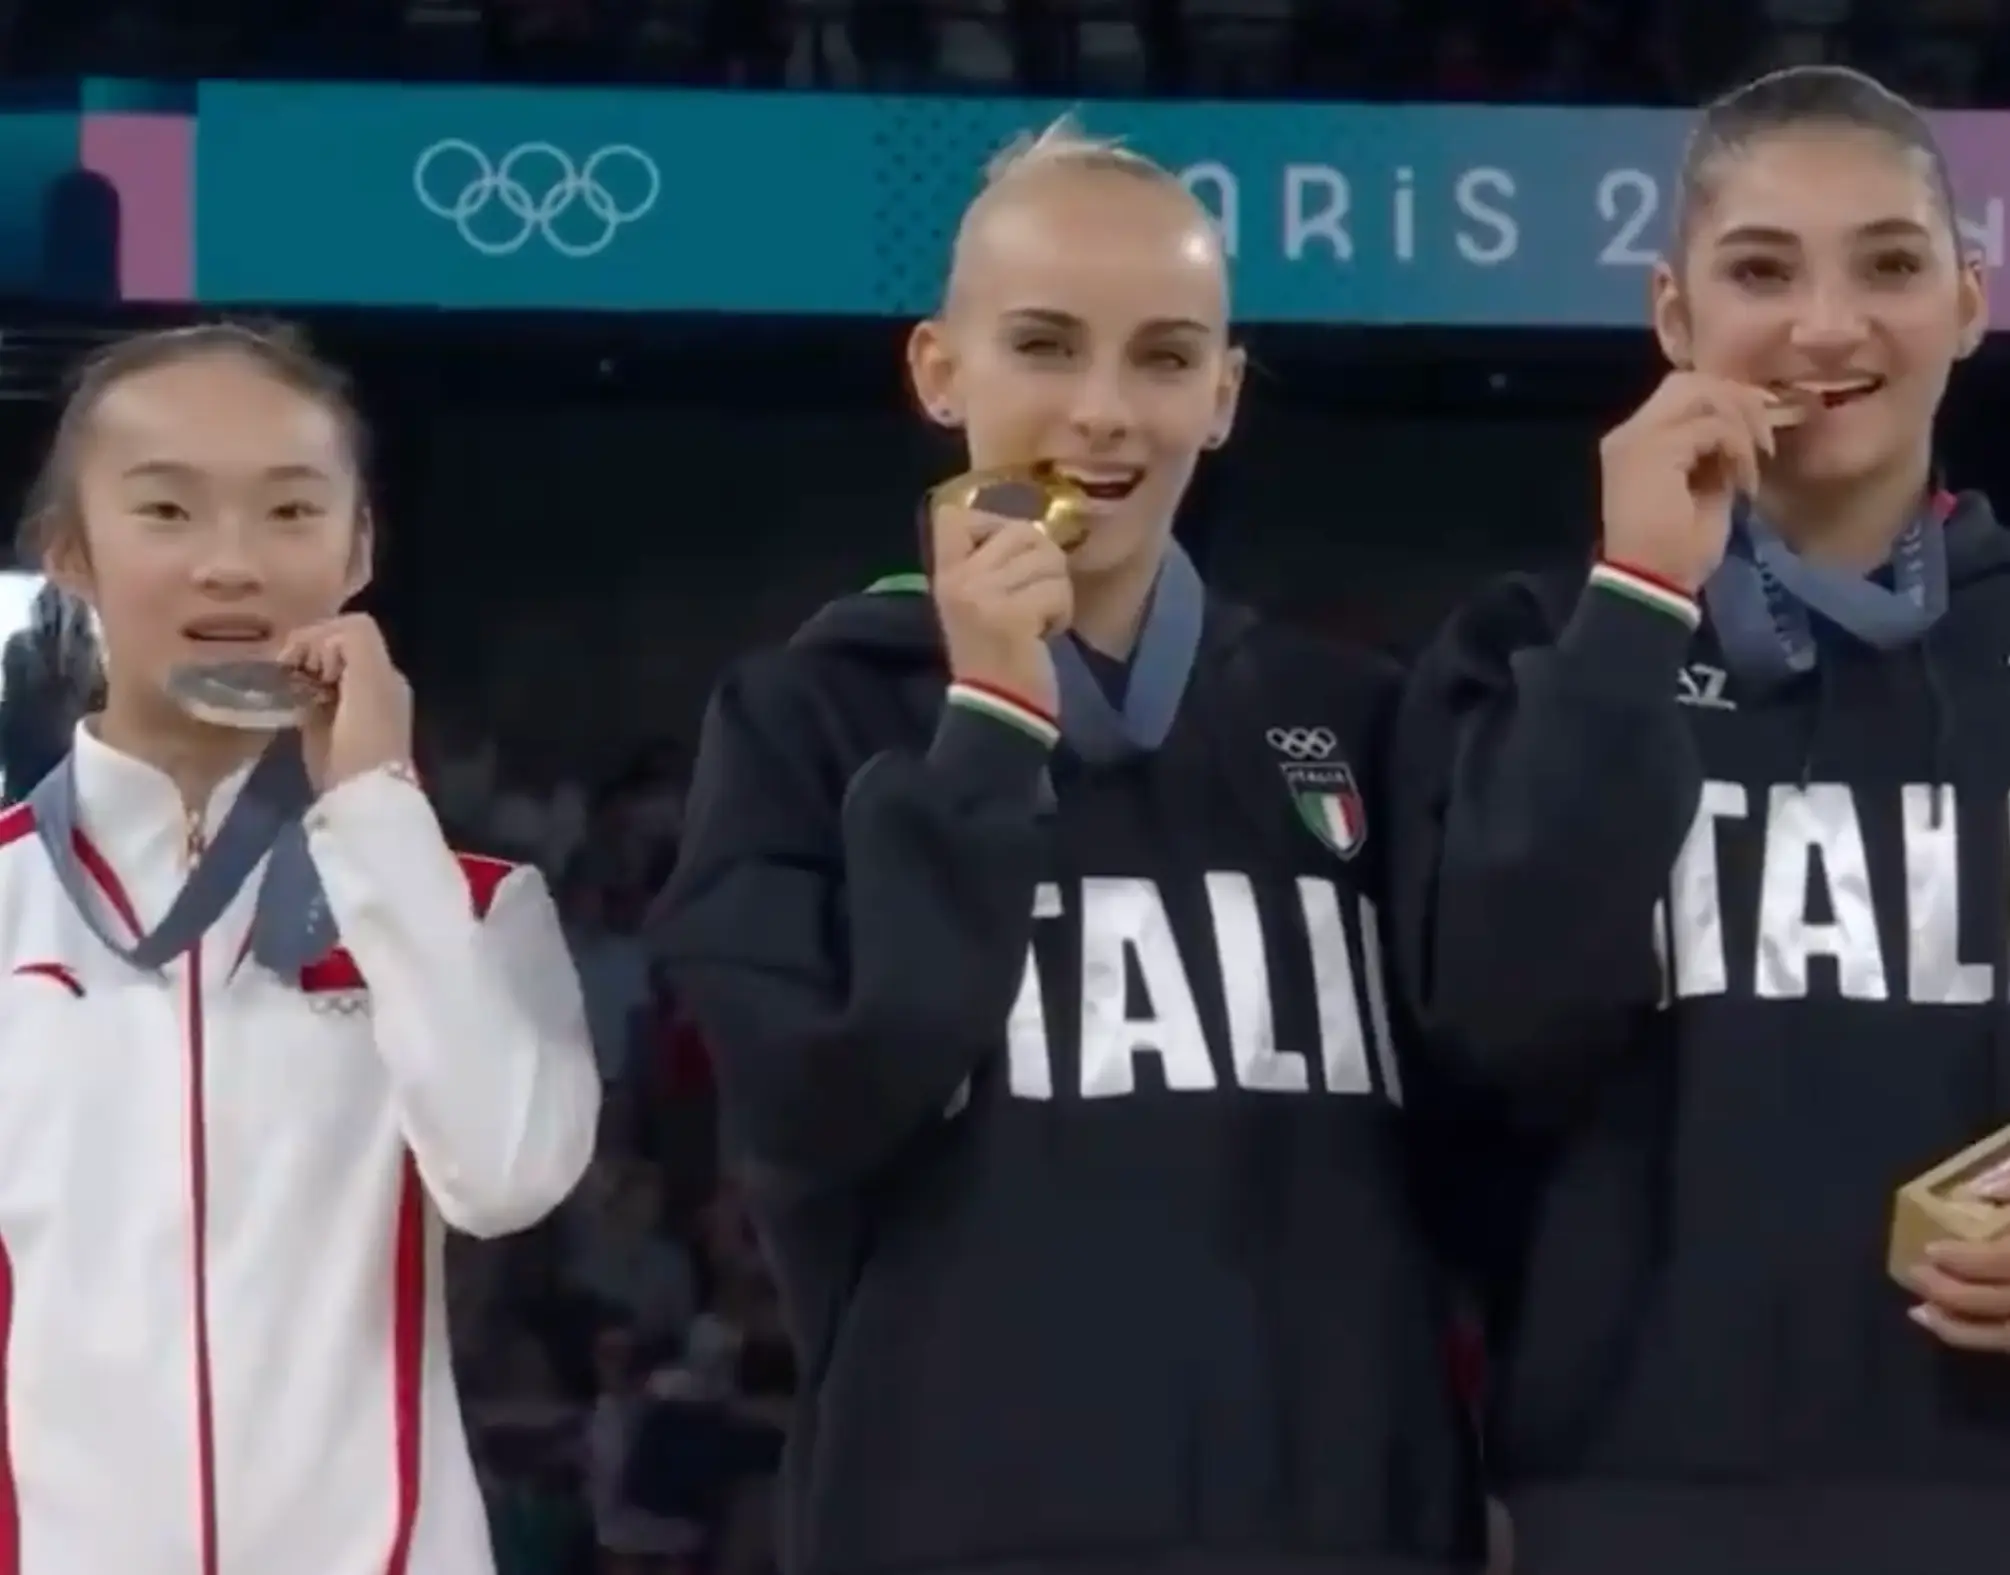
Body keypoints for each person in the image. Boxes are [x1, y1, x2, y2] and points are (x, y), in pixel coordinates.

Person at [656, 119, 1482, 1575]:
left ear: (1221, 397)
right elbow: (813, 1113)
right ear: (938, 368)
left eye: (1162, 359)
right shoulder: (804, 719)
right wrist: (985, 721)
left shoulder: (1356, 716)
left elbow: (1489, 1128)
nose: (1103, 410)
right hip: (952, 1526)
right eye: (1044, 345)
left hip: (1343, 1528)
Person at [1391, 65, 2010, 1575]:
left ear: (1968, 299)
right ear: (1671, 317)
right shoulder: (1522, 649)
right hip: (1630, 1496)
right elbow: (1490, 1027)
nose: (1823, 323)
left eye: (1886, 262)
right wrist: (1635, 609)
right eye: (1759, 269)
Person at [0, 322, 601, 1572]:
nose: (233, 566)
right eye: (166, 511)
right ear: (71, 553)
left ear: (358, 547)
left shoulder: (472, 906)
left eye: (289, 511)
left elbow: (508, 1175)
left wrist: (377, 807)